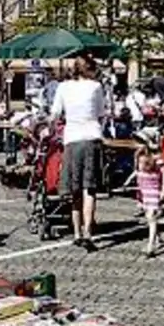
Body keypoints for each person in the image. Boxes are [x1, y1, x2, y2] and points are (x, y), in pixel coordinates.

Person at [50, 56, 107, 250]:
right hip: (91, 136)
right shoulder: (96, 87)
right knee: (89, 189)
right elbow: (101, 113)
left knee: (75, 189)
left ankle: (76, 232)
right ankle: (88, 233)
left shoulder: (63, 87)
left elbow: (55, 113)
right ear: (90, 69)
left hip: (72, 139)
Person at [135, 143, 164, 256]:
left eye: (141, 163)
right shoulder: (140, 173)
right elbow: (139, 189)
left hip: (153, 196)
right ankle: (158, 238)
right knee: (151, 219)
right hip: (145, 198)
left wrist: (163, 190)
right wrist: (139, 200)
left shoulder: (154, 171)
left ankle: (150, 246)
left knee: (151, 219)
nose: (139, 165)